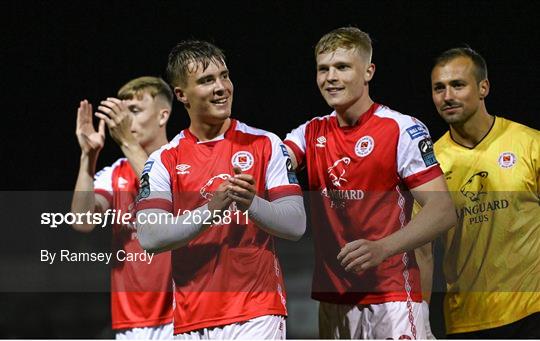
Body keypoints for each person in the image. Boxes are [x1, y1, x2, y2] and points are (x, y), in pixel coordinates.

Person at [283, 27, 456, 339]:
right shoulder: (309, 133)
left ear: (368, 72)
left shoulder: (400, 129)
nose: (330, 77)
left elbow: (442, 210)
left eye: (342, 67)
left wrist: (382, 248)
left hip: (390, 296)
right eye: (323, 69)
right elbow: (273, 160)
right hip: (334, 301)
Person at [135, 40, 306, 339]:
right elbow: (150, 236)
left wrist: (251, 202)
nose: (221, 87)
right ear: (181, 95)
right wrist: (213, 209)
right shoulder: (164, 159)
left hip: (257, 311)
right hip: (192, 319)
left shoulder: (265, 144)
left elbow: (295, 224)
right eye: (206, 81)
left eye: (224, 76)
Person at [430, 47, 540, 338]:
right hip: (465, 319)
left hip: (532, 311)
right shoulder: (429, 165)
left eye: (458, 85)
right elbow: (419, 249)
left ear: (483, 87)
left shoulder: (530, 144)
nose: (447, 96)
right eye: (439, 88)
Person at [70, 76, 174, 339]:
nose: (125, 120)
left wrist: (127, 141)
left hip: (180, 317)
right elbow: (82, 221)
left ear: (163, 116)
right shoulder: (116, 172)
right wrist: (88, 158)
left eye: (135, 111)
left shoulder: (182, 159)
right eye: (123, 111)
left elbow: (167, 197)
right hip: (129, 321)